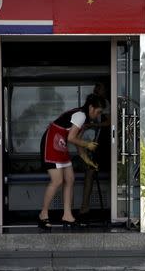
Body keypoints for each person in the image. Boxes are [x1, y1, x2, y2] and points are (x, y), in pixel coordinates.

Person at [38, 93, 106, 229]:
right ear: (91, 108)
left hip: (61, 144)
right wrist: (88, 145)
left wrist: (88, 161)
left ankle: (67, 215)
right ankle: (43, 214)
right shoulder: (81, 115)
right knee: (57, 181)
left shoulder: (83, 119)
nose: (98, 115)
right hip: (52, 143)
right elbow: (71, 139)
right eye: (98, 111)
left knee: (70, 179)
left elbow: (76, 142)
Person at [78, 83, 111, 219]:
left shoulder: (105, 104)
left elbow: (110, 122)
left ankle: (114, 207)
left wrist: (93, 124)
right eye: (96, 87)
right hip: (92, 142)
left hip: (105, 141)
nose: (98, 89)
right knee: (90, 171)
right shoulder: (86, 109)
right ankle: (84, 208)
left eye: (100, 87)